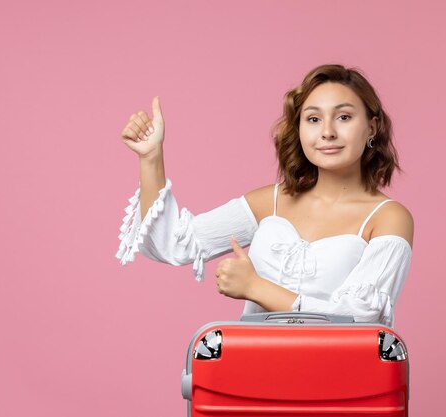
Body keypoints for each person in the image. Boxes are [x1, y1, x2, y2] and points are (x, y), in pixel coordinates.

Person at [116, 64, 413, 328]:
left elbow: (362, 317)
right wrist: (151, 158)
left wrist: (256, 288)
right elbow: (174, 244)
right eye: (312, 119)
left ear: (371, 127)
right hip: (254, 373)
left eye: (344, 117)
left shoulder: (388, 218)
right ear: (298, 129)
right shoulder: (268, 202)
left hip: (338, 382)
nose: (327, 132)